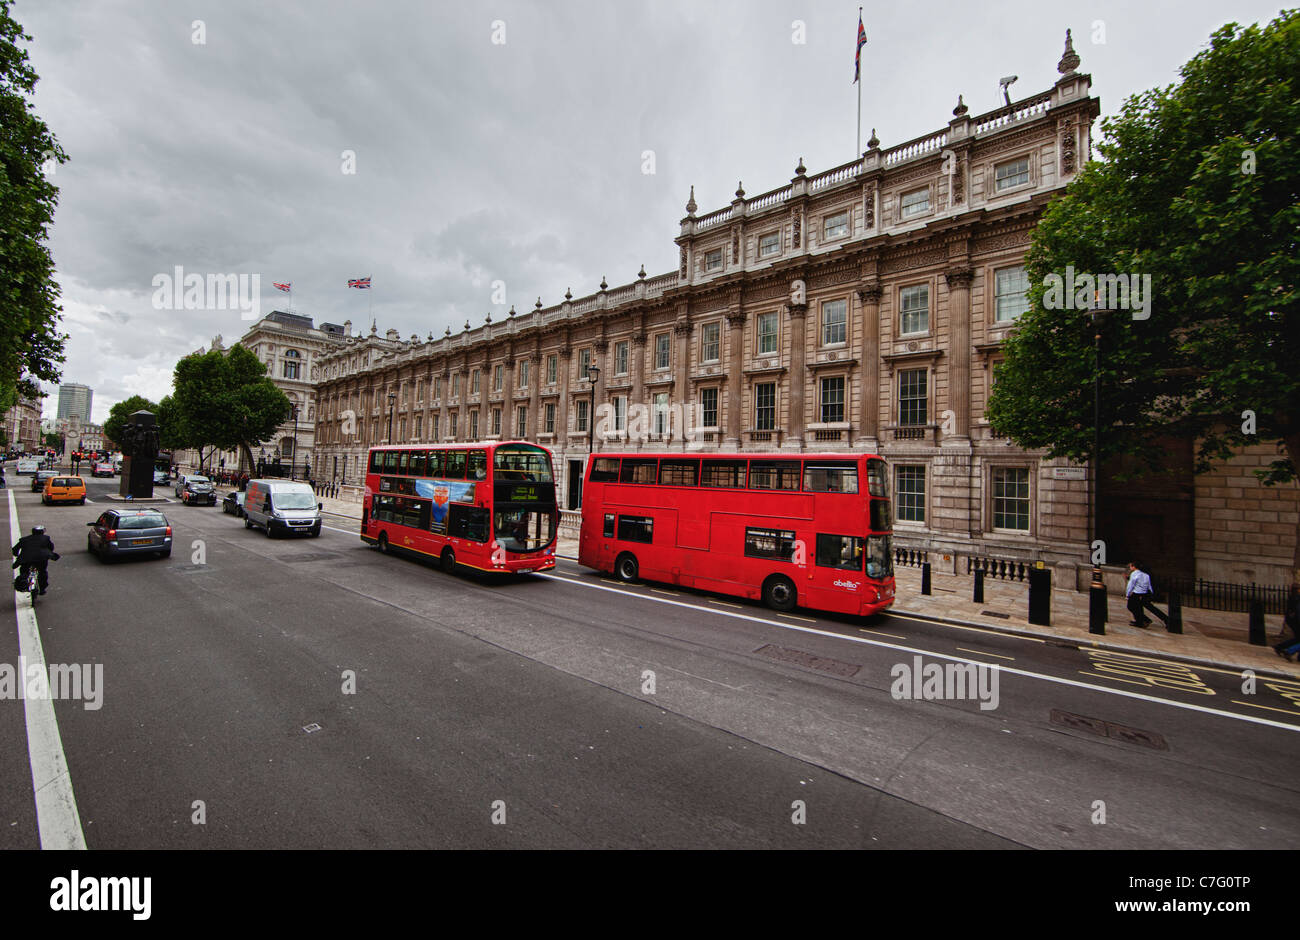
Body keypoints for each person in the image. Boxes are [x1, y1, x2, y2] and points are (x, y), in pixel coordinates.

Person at [13, 524, 59, 595]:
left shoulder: (24, 539)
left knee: (24, 571)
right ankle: (42, 589)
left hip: (26, 559)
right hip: (41, 559)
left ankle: (23, 580)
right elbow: (51, 547)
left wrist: (17, 555)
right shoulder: (45, 538)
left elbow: (15, 549)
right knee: (42, 572)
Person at [1125, 561, 1168, 628]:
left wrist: (1127, 594)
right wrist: (1151, 593)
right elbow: (1149, 585)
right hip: (1145, 593)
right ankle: (1141, 621)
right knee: (1149, 608)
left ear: (1134, 567)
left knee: (1131, 606)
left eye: (1130, 566)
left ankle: (1145, 620)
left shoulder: (1134, 574)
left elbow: (1130, 585)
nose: (1130, 567)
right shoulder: (1145, 575)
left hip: (1137, 593)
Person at [1275, 582, 1300, 660]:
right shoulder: (1296, 598)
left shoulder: (1294, 597)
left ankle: (1280, 647)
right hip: (1296, 621)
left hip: (1294, 621)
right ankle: (1288, 650)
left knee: (1298, 639)